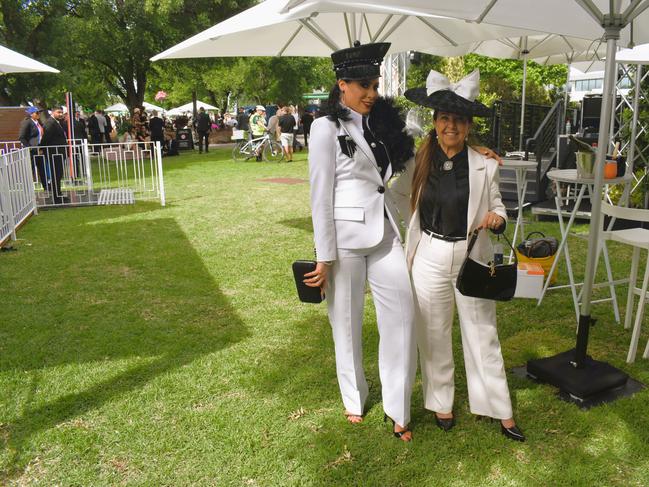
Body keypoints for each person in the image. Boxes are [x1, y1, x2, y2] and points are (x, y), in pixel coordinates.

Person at [402, 69, 525, 442]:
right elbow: (391, 194)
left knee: (482, 333)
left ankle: (498, 407)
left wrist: (497, 220)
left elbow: (500, 207)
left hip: (472, 256)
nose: (450, 125)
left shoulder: (485, 164)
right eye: (444, 118)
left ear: (468, 127)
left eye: (458, 119)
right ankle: (442, 403)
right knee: (433, 333)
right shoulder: (417, 162)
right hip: (429, 255)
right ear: (435, 123)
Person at [304, 41, 417, 442]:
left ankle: (398, 407)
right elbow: (320, 195)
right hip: (347, 240)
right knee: (346, 325)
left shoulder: (383, 124)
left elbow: (412, 162)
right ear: (342, 85)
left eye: (375, 84)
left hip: (386, 234)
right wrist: (324, 255)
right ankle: (354, 398)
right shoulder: (324, 128)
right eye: (363, 85)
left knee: (403, 317)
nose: (371, 93)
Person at [41, 106, 68, 204]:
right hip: (54, 153)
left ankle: (59, 194)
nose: (61, 114)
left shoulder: (57, 122)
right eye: (58, 112)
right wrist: (42, 149)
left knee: (59, 174)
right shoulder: (50, 123)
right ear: (53, 112)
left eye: (61, 112)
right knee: (56, 174)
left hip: (59, 153)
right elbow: (45, 138)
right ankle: (57, 197)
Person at [18, 106, 46, 191]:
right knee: (30, 170)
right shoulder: (27, 122)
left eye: (39, 112)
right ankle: (27, 189)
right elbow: (21, 137)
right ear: (31, 114)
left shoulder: (38, 122)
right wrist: (29, 148)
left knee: (42, 169)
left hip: (39, 149)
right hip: (32, 151)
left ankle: (46, 187)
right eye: (37, 113)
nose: (39, 114)